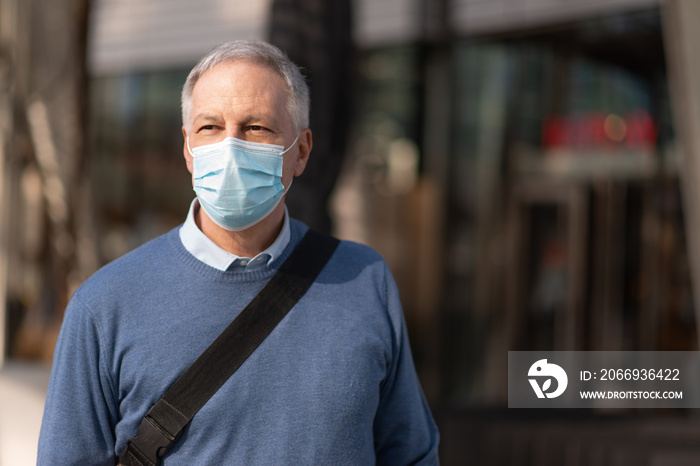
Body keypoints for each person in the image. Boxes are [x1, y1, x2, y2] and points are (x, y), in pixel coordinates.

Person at [38, 40, 439, 465]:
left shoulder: (364, 279)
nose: (230, 147)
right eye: (210, 127)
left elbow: (411, 453)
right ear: (188, 148)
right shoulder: (104, 305)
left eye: (257, 128)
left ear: (301, 151)